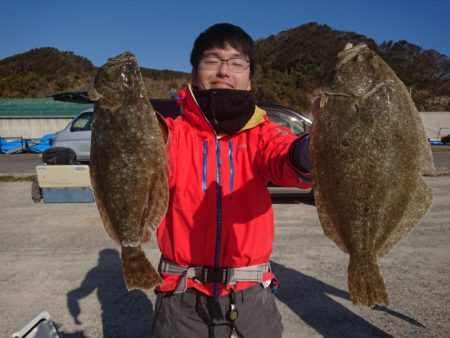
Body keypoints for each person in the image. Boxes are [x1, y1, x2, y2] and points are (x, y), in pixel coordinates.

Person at [152, 23, 312, 338]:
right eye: (212, 60)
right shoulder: (174, 133)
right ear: (195, 72)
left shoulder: (265, 133)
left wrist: (316, 146)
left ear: (249, 78)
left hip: (250, 294)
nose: (224, 70)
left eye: (237, 63)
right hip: (180, 295)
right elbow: (151, 156)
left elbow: (288, 159)